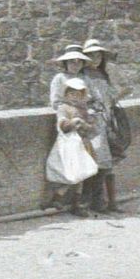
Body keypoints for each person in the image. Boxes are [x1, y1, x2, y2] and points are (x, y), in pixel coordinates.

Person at [43, 75, 103, 216]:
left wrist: (86, 124)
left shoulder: (84, 110)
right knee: (70, 171)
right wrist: (72, 122)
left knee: (82, 173)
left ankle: (76, 202)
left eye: (78, 94)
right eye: (71, 94)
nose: (74, 97)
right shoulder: (64, 108)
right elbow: (62, 125)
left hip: (83, 145)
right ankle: (58, 196)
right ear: (66, 94)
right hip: (69, 144)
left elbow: (93, 129)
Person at [80, 37, 125, 213]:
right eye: (91, 55)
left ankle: (105, 201)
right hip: (91, 123)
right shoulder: (82, 77)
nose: (95, 59)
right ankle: (92, 201)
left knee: (107, 162)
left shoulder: (103, 76)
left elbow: (110, 96)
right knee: (96, 161)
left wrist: (119, 96)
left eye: (98, 55)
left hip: (105, 122)